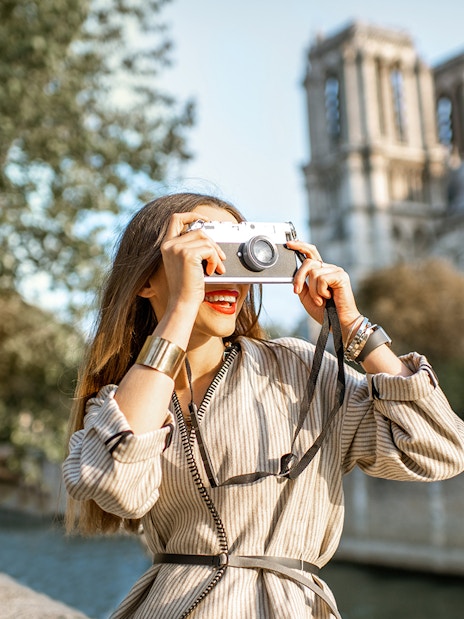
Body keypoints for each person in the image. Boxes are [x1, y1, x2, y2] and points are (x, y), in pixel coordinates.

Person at [63, 192, 464, 619]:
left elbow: (441, 449)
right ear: (147, 280)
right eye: (204, 256)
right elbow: (114, 486)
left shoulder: (298, 371)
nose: (227, 278)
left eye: (237, 255)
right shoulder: (127, 397)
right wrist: (181, 306)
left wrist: (354, 329)